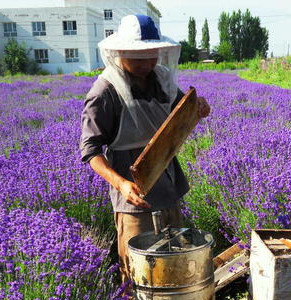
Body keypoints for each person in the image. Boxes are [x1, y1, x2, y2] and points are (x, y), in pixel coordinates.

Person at [80, 14, 210, 282]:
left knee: (174, 262)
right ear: (120, 52)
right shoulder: (104, 91)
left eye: (151, 56)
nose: (147, 64)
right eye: (139, 58)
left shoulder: (160, 79)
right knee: (139, 269)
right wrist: (121, 184)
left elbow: (179, 115)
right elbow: (90, 151)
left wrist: (198, 109)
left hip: (168, 181)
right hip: (133, 194)